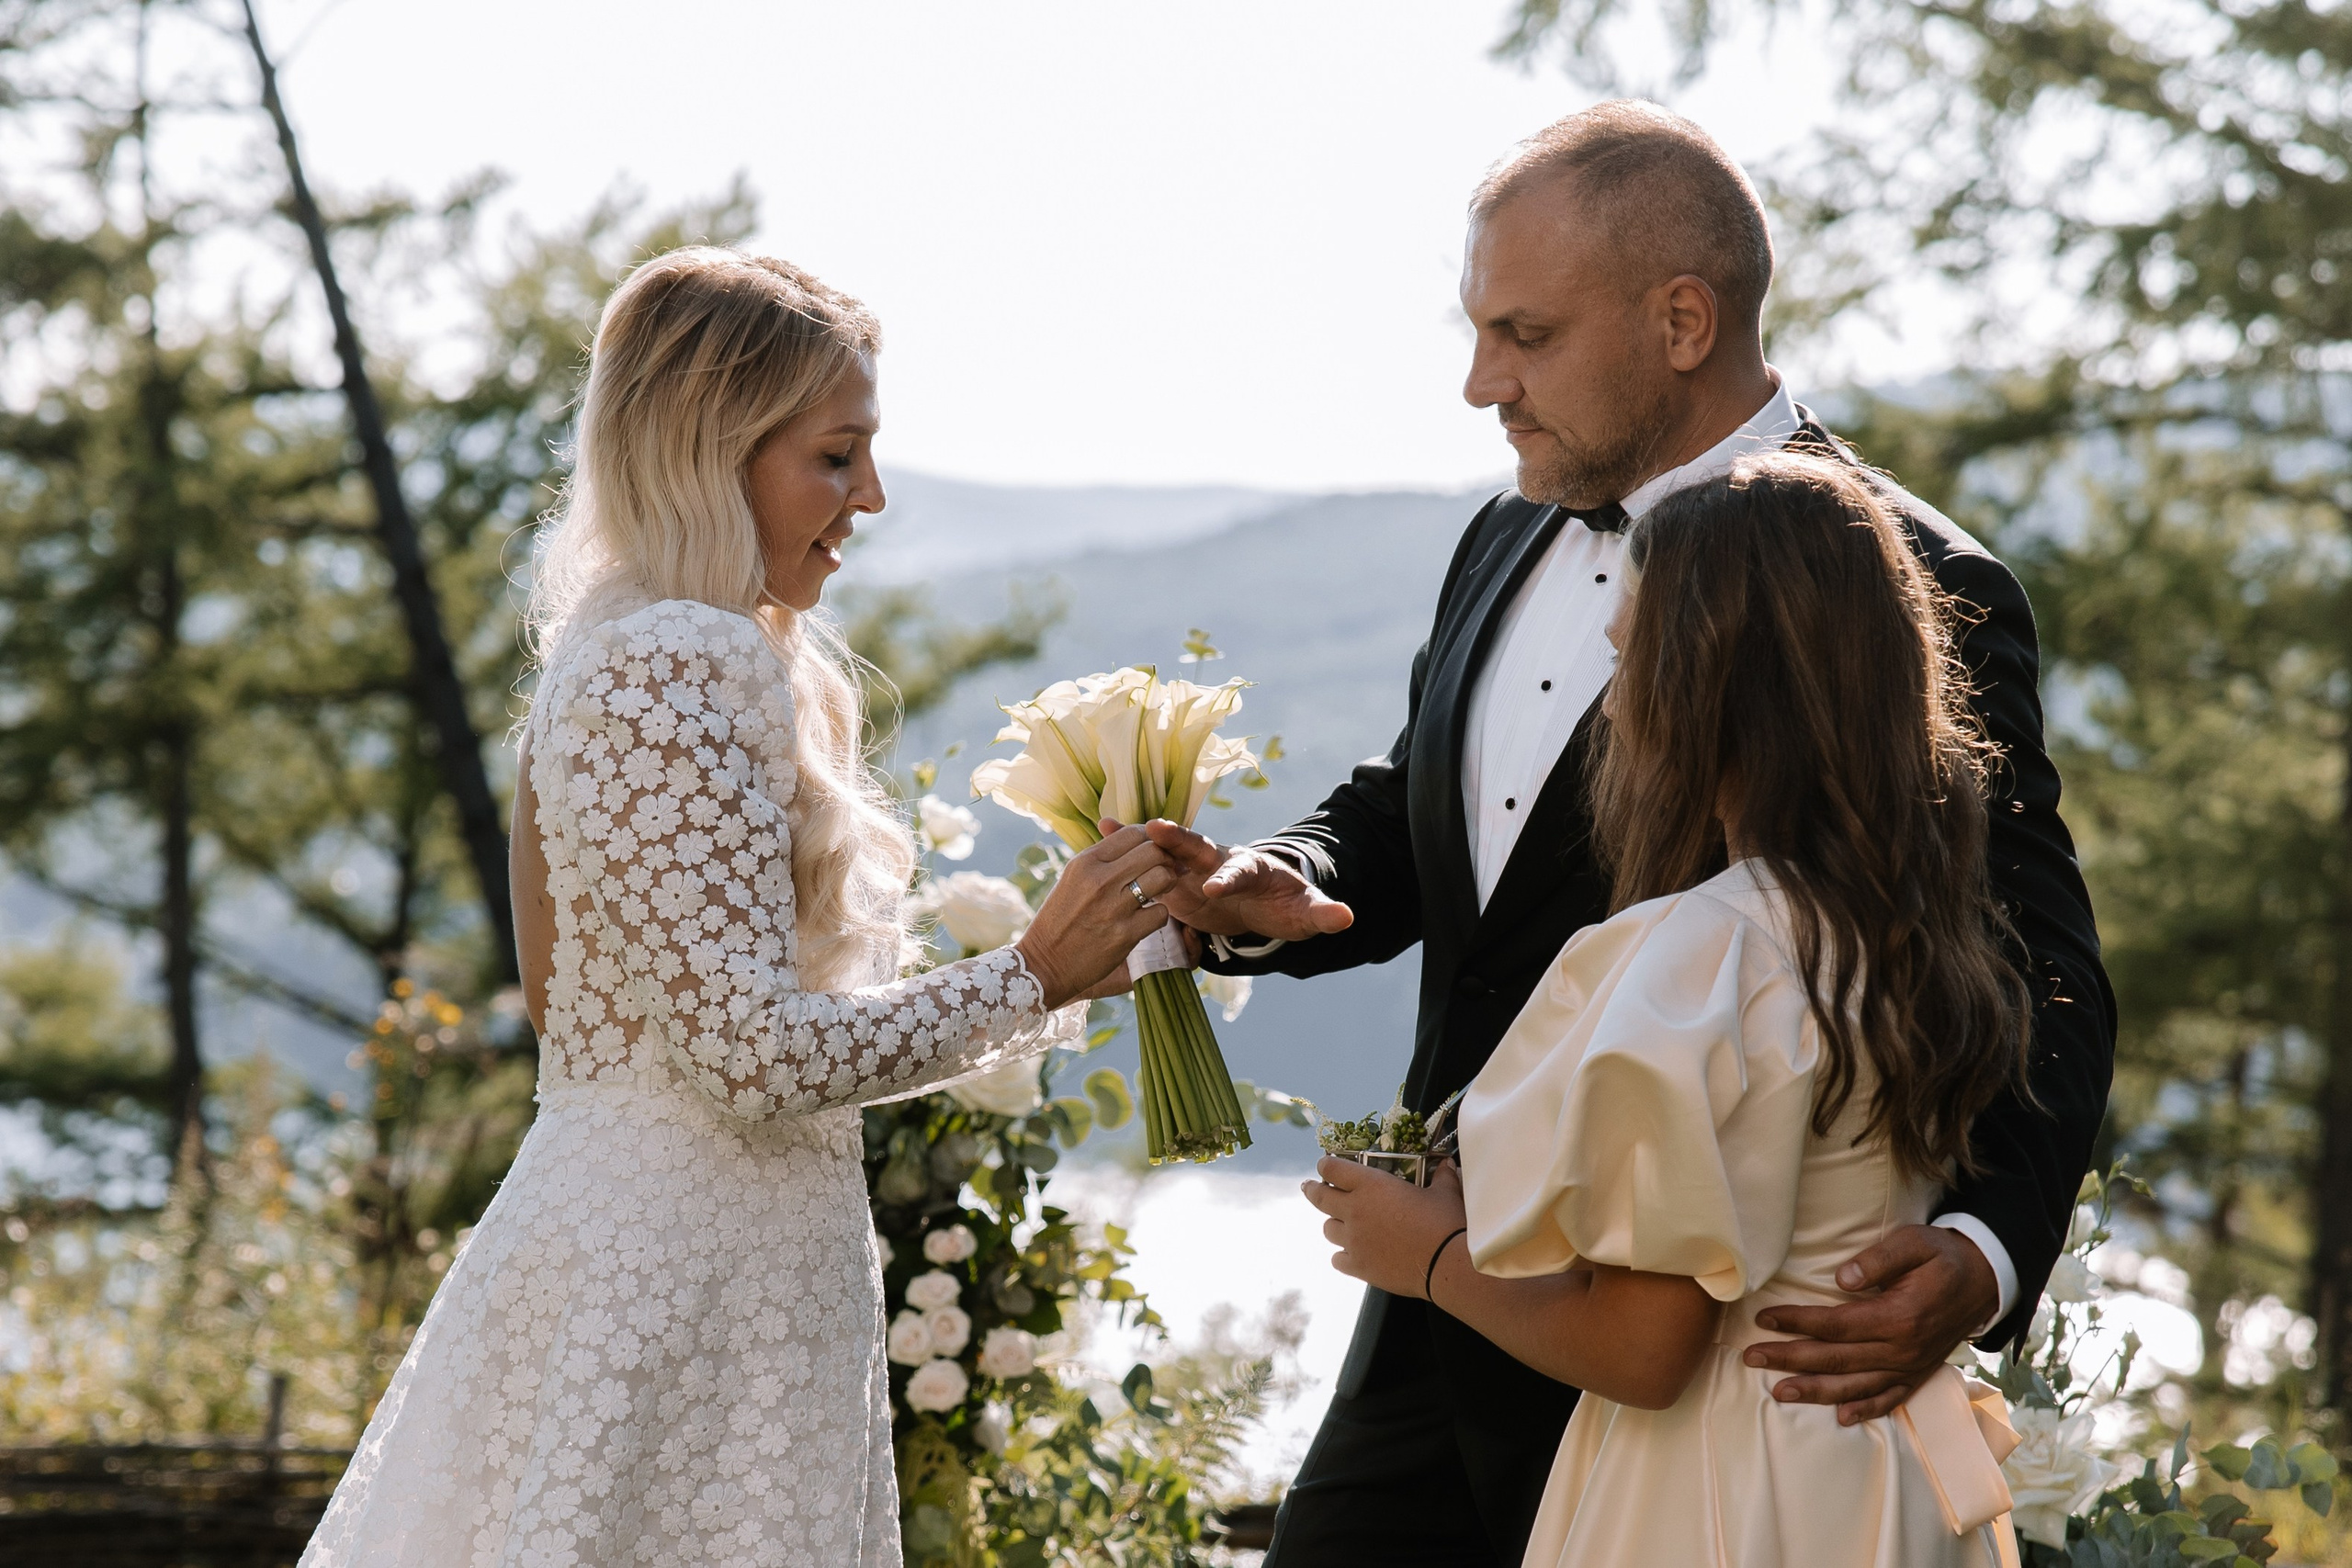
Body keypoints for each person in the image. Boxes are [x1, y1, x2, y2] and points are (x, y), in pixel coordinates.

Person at [1148, 101, 2113, 1564]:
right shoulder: (1506, 530)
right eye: (1478, 332)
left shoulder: (1912, 577)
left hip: (1711, 1349)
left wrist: (1981, 1255)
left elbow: (2040, 956)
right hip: (1437, 1294)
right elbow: (1434, 806)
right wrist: (1283, 877)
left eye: (1524, 334)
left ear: (1681, 317)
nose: (1484, 383)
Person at [300, 248, 1182, 1568]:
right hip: (679, 1287)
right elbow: (753, 1052)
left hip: (661, 1255)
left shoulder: (635, 644)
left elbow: (573, 1007)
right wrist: (1029, 972)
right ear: (711, 450)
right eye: (836, 456)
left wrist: (1093, 948)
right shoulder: (678, 655)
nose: (869, 495)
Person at [1310, 450, 2032, 1568]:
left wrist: (1432, 1253)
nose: (1611, 676)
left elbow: (1645, 1349)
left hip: (1725, 1488)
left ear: (1703, 683)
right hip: (1872, 1473)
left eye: (1628, 645)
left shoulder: (1707, 956)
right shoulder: (1909, 928)